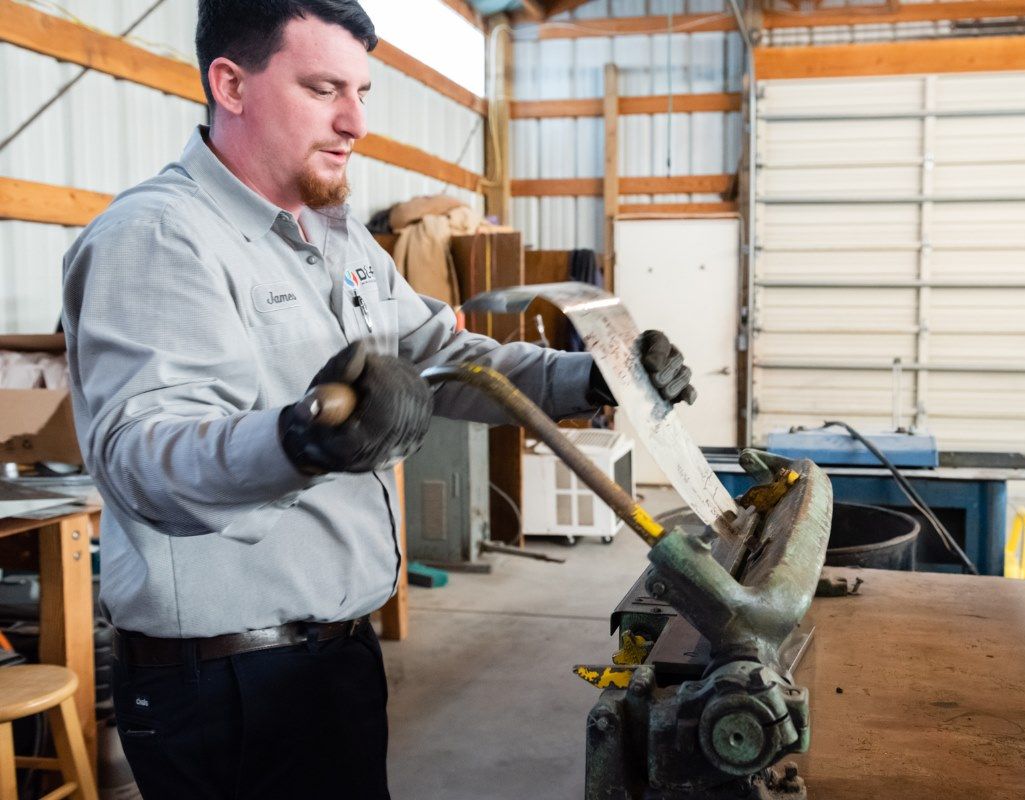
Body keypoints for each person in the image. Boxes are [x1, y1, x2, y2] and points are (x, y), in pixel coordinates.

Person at [60, 1, 696, 798]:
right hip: (228, 687)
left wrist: (591, 378)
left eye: (361, 91)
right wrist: (303, 440)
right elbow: (140, 456)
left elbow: (446, 354)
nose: (355, 120)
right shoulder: (160, 238)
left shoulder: (338, 236)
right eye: (324, 89)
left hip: (335, 661)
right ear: (230, 83)